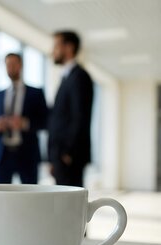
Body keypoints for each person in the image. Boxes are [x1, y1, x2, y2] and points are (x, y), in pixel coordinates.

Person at [0, 53, 48, 185]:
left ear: (21, 65)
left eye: (13, 64)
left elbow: (46, 122)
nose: (10, 67)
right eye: (7, 65)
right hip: (3, 155)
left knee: (30, 197)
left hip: (28, 154)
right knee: (1, 197)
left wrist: (24, 123)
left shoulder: (36, 93)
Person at [48, 30, 94, 187]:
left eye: (56, 46)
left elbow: (80, 117)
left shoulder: (79, 77)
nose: (52, 51)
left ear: (68, 47)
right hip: (61, 155)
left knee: (69, 205)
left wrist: (68, 152)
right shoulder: (67, 77)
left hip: (69, 157)